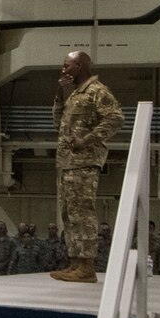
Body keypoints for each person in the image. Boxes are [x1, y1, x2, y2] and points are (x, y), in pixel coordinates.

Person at [50, 50, 125, 283]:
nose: (64, 70)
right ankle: (75, 262)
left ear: (80, 66)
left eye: (67, 66)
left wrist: (88, 139)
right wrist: (61, 94)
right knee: (69, 213)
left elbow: (116, 118)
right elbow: (57, 122)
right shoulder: (73, 94)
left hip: (84, 162)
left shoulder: (97, 90)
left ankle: (87, 266)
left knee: (82, 212)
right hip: (67, 162)